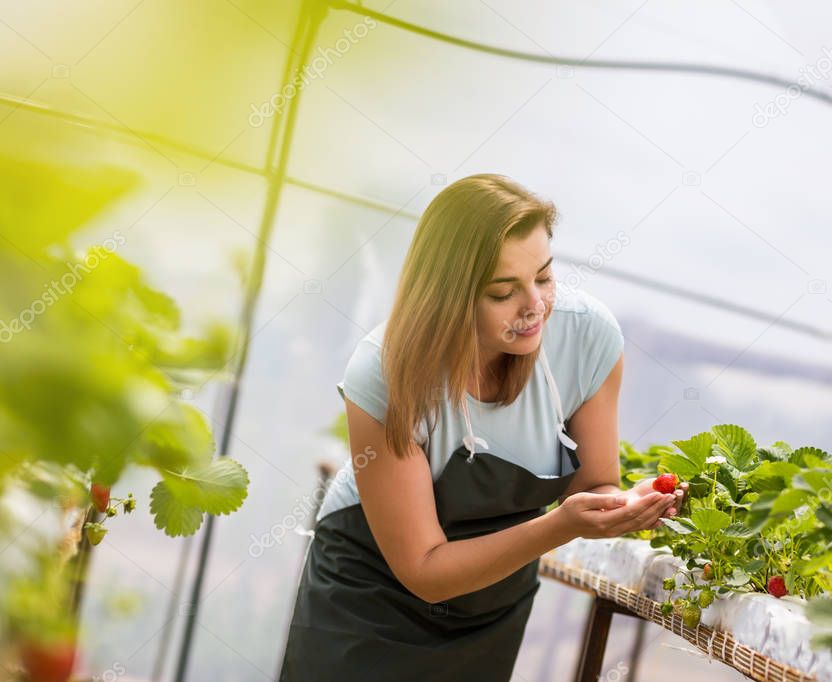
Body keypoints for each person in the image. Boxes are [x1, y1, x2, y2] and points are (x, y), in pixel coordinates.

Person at [278, 174, 687, 681]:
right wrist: (561, 525)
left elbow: (594, 484)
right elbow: (424, 571)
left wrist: (628, 505)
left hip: (492, 604)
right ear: (449, 296)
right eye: (502, 291)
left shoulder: (587, 339)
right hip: (369, 596)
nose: (534, 306)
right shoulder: (384, 371)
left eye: (544, 276)